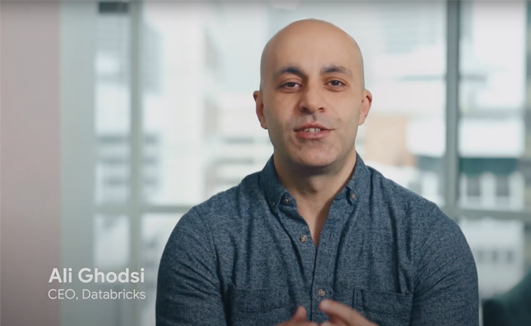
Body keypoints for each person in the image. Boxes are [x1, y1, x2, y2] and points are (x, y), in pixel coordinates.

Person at [156, 19, 479, 326]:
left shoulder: (432, 239)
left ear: (363, 106)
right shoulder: (201, 239)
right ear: (261, 109)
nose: (312, 101)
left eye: (335, 83)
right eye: (290, 84)